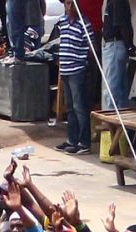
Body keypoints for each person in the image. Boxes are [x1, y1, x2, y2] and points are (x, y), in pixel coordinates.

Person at [54, 5, 92, 154]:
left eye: (71, 3)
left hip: (77, 70)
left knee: (79, 107)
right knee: (69, 107)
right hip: (65, 70)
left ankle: (84, 142)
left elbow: (91, 46)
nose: (68, 7)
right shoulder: (62, 21)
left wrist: (85, 64)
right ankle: (72, 140)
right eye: (66, 3)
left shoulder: (84, 23)